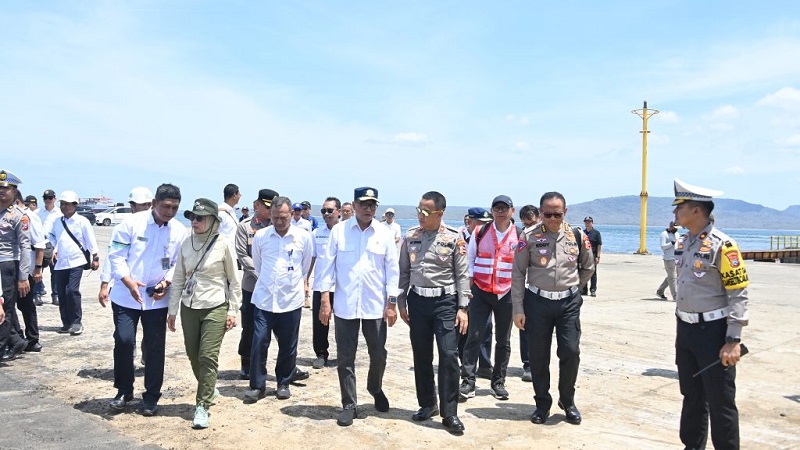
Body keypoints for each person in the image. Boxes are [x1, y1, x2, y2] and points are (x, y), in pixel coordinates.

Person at [671, 179, 749, 449]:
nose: (674, 213)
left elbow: (738, 293)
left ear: (696, 211)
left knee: (720, 401)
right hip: (687, 329)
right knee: (691, 396)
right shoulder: (684, 242)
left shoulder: (723, 246)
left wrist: (733, 339)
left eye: (679, 207)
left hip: (714, 333)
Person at [317, 187, 399, 427]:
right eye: (364, 204)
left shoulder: (384, 233)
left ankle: (375, 387)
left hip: (375, 306)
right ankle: (349, 403)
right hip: (345, 305)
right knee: (345, 357)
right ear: (354, 205)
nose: (369, 209)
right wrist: (324, 299)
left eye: (373, 205)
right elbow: (326, 267)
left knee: (379, 354)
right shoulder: (340, 232)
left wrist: (392, 302)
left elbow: (392, 270)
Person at [512, 191, 594, 426]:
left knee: (570, 351)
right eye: (547, 214)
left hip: (568, 303)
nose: (552, 218)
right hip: (537, 302)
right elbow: (518, 273)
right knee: (538, 356)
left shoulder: (577, 235)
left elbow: (588, 267)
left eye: (557, 213)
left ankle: (567, 401)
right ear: (540, 213)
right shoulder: (528, 236)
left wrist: (574, 289)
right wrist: (518, 308)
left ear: (565, 212)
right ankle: (542, 404)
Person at [105, 184, 187, 417]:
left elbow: (177, 264)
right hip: (126, 295)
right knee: (123, 340)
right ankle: (123, 390)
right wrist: (128, 281)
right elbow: (116, 256)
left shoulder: (179, 230)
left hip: (157, 300)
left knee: (154, 349)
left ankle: (151, 396)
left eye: (174, 207)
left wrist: (166, 282)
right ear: (153, 203)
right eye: (165, 206)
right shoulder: (131, 224)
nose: (170, 211)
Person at [397, 191, 470, 434]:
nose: (420, 215)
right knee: (421, 354)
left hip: (445, 302)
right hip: (418, 301)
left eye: (426, 212)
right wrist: (400, 300)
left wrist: (462, 308)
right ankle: (428, 403)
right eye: (419, 210)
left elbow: (462, 275)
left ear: (440, 213)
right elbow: (404, 272)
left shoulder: (454, 237)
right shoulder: (410, 237)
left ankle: (450, 413)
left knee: (449, 355)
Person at [167, 198, 241, 428]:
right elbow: (178, 277)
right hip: (189, 306)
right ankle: (209, 387)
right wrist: (172, 310)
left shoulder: (224, 244)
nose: (194, 221)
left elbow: (234, 281)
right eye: (192, 217)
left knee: (207, 356)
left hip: (215, 306)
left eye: (200, 217)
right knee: (192, 353)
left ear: (212, 221)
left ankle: (202, 406)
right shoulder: (186, 243)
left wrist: (233, 310)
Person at [244, 196, 313, 402]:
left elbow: (305, 265)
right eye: (275, 218)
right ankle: (257, 385)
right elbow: (257, 265)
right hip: (264, 299)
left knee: (288, 344)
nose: (279, 222)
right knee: (258, 342)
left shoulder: (303, 237)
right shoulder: (262, 236)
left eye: (283, 217)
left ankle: (283, 382)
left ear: (291, 215)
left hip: (290, 300)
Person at [459, 195, 521, 403]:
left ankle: (498, 382)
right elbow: (469, 259)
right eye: (497, 208)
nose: (501, 211)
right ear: (492, 211)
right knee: (474, 336)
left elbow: (524, 266)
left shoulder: (520, 235)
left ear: (512, 211)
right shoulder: (480, 231)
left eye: (505, 208)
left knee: (503, 339)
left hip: (506, 293)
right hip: (481, 291)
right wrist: (468, 291)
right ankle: (468, 380)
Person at [234, 189, 278, 379]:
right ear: (256, 205)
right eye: (266, 207)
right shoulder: (245, 226)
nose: (269, 211)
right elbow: (242, 255)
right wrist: (262, 274)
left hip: (275, 287)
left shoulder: (278, 226)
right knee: (250, 326)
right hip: (252, 285)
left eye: (272, 207)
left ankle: (279, 366)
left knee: (276, 328)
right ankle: (246, 362)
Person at [47, 190, 100, 336]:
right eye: (62, 204)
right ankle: (66, 323)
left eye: (67, 204)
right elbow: (52, 237)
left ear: (75, 205)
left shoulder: (82, 221)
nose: (64, 207)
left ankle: (77, 322)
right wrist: (52, 248)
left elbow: (90, 239)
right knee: (62, 294)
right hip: (60, 262)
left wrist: (95, 257)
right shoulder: (58, 221)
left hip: (77, 261)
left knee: (72, 291)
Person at [0, 171, 35, 362]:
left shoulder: (19, 216)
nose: (1, 191)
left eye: (5, 188)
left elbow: (24, 247)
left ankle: (5, 345)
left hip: (8, 264)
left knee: (6, 305)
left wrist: (23, 277)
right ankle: (15, 340)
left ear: (14, 191)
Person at [457, 207, 494, 379]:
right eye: (481, 223)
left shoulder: (489, 238)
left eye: (487, 223)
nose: (485, 226)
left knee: (485, 327)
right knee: (463, 327)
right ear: (470, 222)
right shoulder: (459, 238)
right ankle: (464, 363)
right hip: (462, 289)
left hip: (481, 288)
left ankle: (485, 365)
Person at [307, 196, 340, 369]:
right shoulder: (316, 233)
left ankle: (344, 354)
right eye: (323, 211)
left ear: (339, 212)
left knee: (343, 322)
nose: (326, 214)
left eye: (330, 210)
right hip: (321, 284)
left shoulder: (345, 232)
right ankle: (321, 353)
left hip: (342, 285)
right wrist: (305, 279)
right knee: (320, 321)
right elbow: (312, 257)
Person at [13, 191, 45, 353]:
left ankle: (32, 339)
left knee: (25, 304)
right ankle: (18, 338)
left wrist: (37, 269)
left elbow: (39, 244)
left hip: (27, 268)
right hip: (12, 266)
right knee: (12, 303)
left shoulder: (29, 217)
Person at [517, 204, 540, 382]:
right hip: (524, 289)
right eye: (525, 224)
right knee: (524, 327)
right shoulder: (521, 236)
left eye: (531, 223)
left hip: (540, 289)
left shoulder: (545, 236)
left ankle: (539, 362)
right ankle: (528, 364)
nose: (528, 228)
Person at [38, 189, 61, 305]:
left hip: (55, 244)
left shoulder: (59, 213)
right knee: (38, 270)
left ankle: (56, 295)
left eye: (50, 198)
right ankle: (37, 294)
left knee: (55, 272)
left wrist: (55, 249)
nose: (47, 200)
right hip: (41, 243)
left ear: (54, 199)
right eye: (45, 198)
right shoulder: (38, 212)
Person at [656, 221, 679, 301]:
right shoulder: (664, 234)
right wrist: (672, 243)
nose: (676, 229)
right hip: (668, 259)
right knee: (672, 277)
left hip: (676, 258)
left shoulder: (677, 234)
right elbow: (663, 247)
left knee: (672, 276)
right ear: (671, 226)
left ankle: (660, 291)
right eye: (675, 228)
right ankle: (675, 296)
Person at [581, 216, 602, 297]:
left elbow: (599, 245)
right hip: (584, 256)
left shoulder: (596, 233)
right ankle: (584, 290)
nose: (587, 223)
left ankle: (593, 290)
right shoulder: (583, 233)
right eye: (586, 222)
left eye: (589, 222)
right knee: (583, 272)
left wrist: (598, 256)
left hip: (593, 255)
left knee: (593, 273)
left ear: (592, 222)